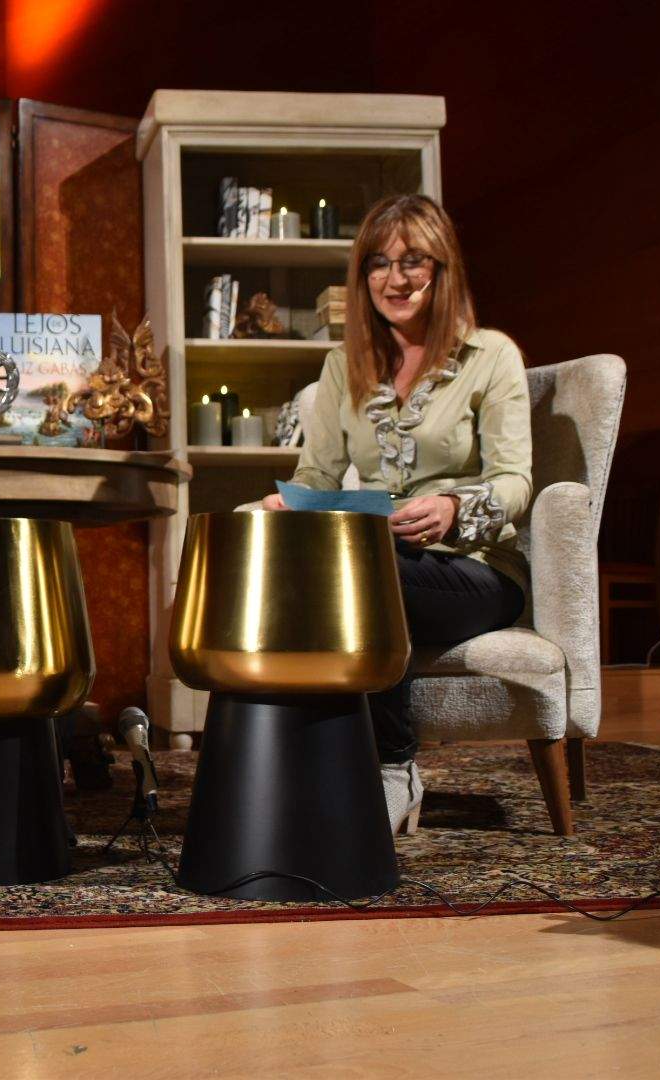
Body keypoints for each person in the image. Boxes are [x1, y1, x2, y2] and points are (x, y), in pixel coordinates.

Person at [262, 193, 532, 835]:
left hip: (474, 571)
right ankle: (292, 762)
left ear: (443, 269)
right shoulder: (341, 367)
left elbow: (516, 481)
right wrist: (290, 505)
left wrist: (451, 508)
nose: (395, 279)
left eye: (414, 261)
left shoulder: (490, 356)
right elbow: (317, 476)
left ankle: (392, 769)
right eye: (378, 263)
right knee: (296, 563)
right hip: (377, 560)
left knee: (359, 576)